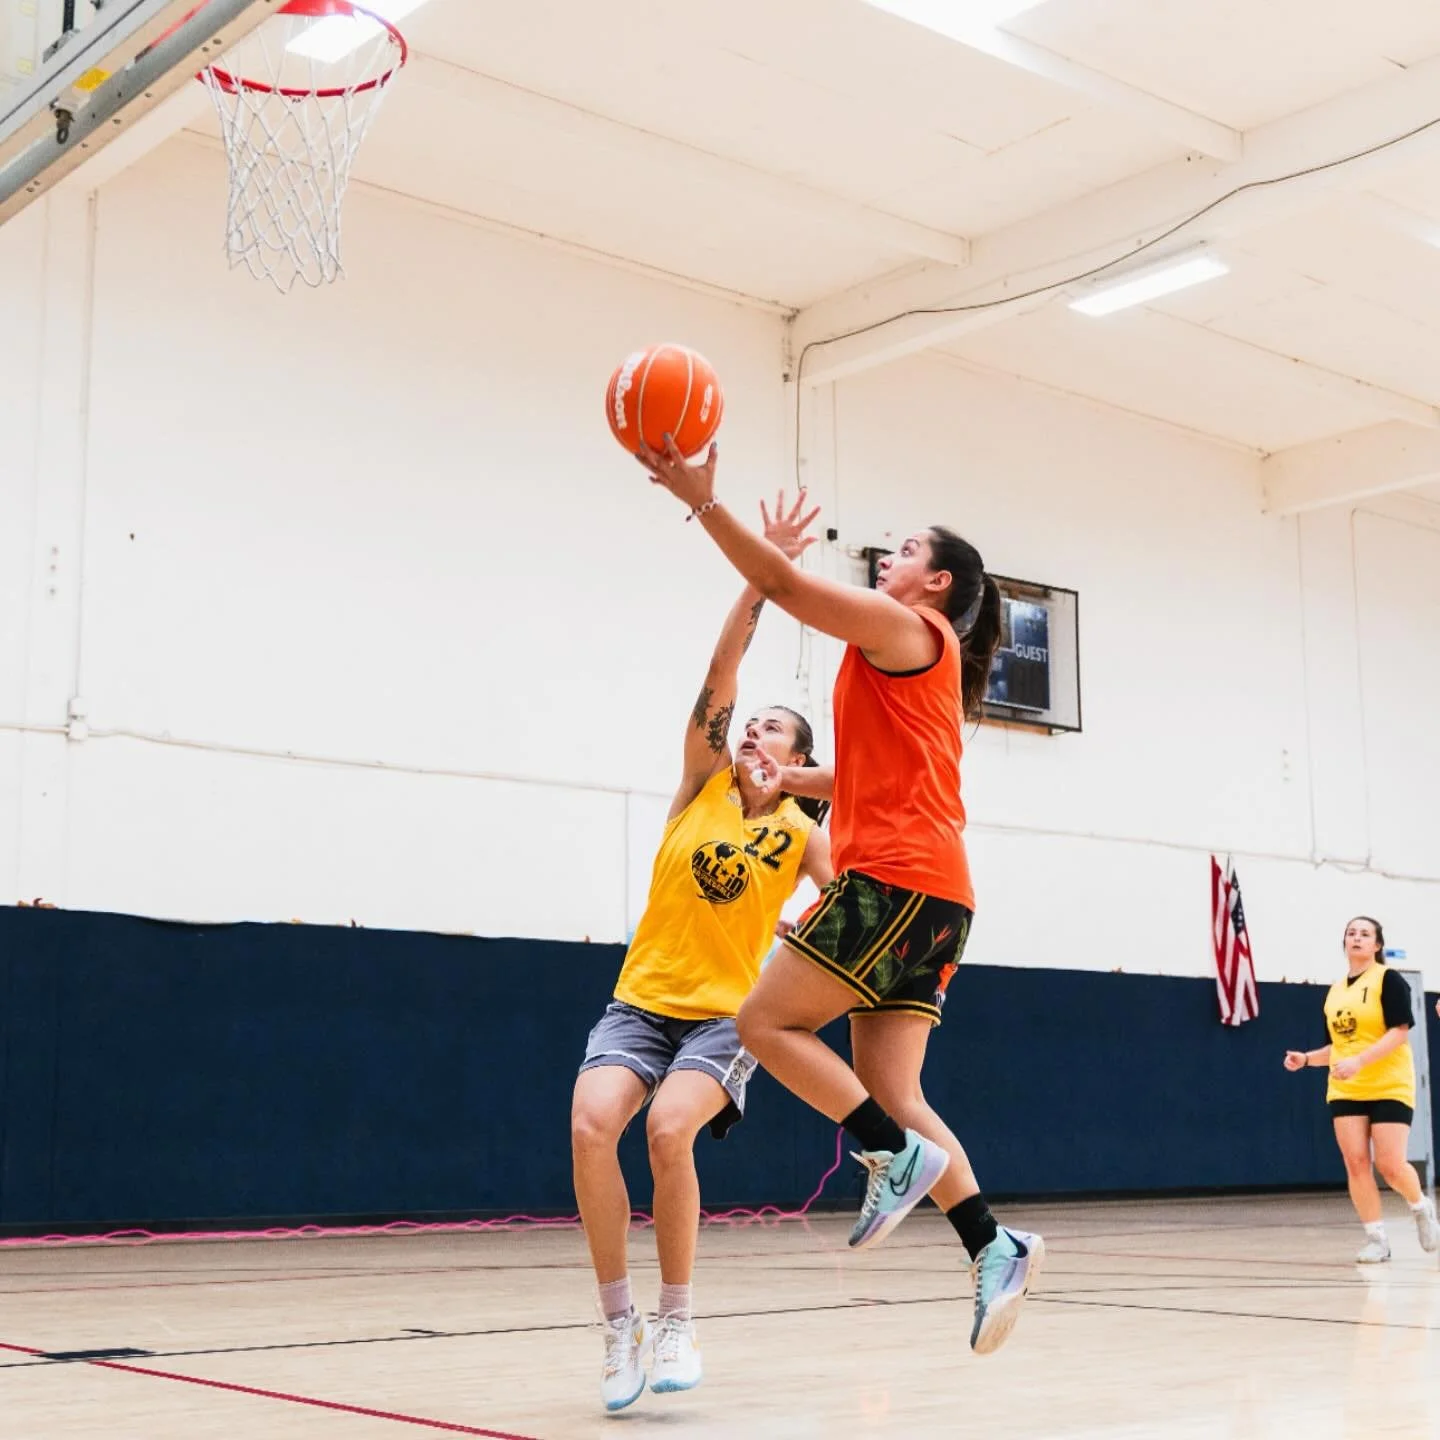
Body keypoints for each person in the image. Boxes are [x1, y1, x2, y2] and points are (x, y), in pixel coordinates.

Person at [635, 437, 1043, 1357]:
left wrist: (704, 502)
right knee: (897, 1094)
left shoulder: (907, 632)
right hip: (937, 893)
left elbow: (784, 589)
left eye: (904, 551)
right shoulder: (904, 661)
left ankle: (887, 1158)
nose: (888, 558)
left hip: (896, 879)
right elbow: (861, 775)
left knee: (763, 1023)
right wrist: (793, 779)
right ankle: (993, 1243)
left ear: (935, 584)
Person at [570, 497, 833, 1413]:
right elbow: (722, 669)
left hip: (726, 1014)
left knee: (668, 1130)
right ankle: (618, 1326)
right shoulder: (700, 783)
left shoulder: (801, 831)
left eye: (773, 729)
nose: (753, 733)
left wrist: (809, 937)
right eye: (749, 725)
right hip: (641, 999)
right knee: (590, 1126)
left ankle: (678, 1316)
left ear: (800, 758)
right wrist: (762, 580)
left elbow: (842, 900)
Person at [1284, 916, 1440, 1262]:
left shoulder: (1388, 980)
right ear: (1345, 943)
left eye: (1365, 934)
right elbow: (1336, 1048)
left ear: (1377, 945)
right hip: (1345, 1088)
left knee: (1390, 1164)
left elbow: (1400, 1031)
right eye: (1351, 933)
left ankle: (1420, 1206)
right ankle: (1377, 1239)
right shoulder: (1335, 992)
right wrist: (1306, 1059)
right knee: (1356, 1162)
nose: (1357, 938)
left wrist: (1360, 1062)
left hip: (1389, 1083)